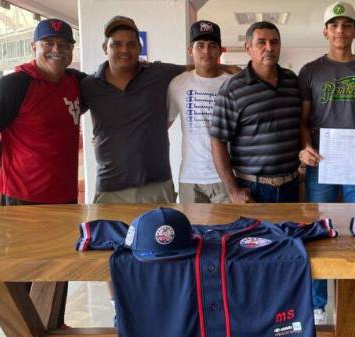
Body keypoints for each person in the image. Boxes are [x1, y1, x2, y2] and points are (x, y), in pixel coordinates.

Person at [0, 18, 82, 327]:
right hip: (24, 200)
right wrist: (9, 170)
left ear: (72, 51)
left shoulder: (74, 82)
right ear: (34, 47)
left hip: (63, 199)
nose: (56, 51)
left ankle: (54, 326)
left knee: (59, 267)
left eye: (63, 45)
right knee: (24, 271)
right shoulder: (15, 84)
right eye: (48, 44)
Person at [297, 2, 355, 324]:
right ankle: (318, 305)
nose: (340, 31)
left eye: (347, 25)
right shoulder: (310, 71)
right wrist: (305, 148)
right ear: (325, 31)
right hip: (321, 162)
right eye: (334, 25)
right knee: (319, 232)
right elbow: (302, 120)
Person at [80, 16, 186, 204]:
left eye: (131, 44)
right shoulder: (89, 85)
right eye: (117, 44)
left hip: (157, 186)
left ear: (139, 48)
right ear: (105, 48)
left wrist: (227, 68)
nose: (125, 50)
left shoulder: (159, 74)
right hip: (110, 189)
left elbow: (199, 70)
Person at [209, 21, 302, 204]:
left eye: (274, 42)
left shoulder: (292, 80)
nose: (269, 48)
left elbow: (300, 124)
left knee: (291, 233)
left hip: (291, 185)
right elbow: (217, 141)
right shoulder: (232, 89)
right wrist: (233, 191)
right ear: (248, 47)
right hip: (253, 189)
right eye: (261, 42)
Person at [167, 20, 232, 203]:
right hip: (190, 178)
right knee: (192, 231)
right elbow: (163, 124)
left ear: (220, 50)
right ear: (190, 50)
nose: (206, 51)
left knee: (228, 230)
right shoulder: (178, 84)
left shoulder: (232, 83)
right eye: (200, 45)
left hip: (225, 177)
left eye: (212, 46)